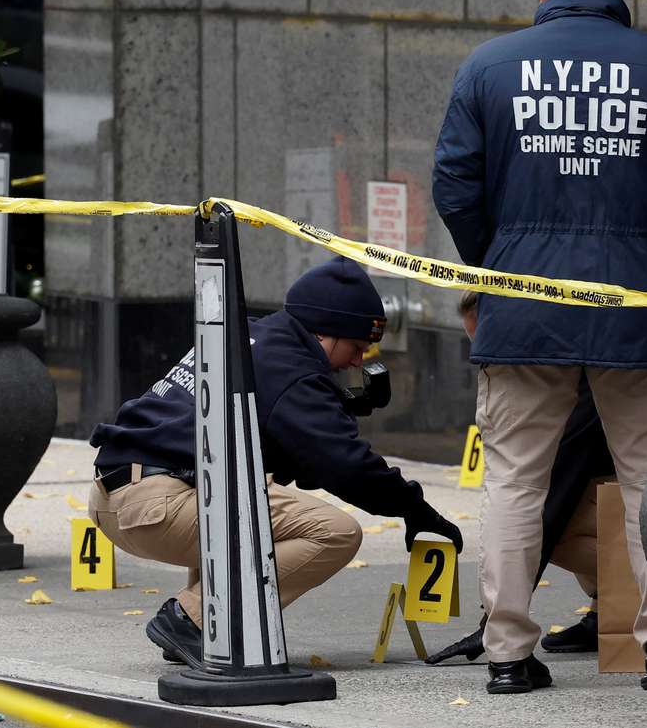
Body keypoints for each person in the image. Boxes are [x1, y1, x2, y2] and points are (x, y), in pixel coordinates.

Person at [432, 0, 647, 695]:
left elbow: (454, 185)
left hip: (524, 312)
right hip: (641, 310)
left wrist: (499, 258)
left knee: (513, 481)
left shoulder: (488, 68)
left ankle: (507, 652)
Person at [88, 257, 463, 668]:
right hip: (157, 504)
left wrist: (330, 409)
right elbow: (345, 466)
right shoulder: (293, 371)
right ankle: (192, 621)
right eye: (356, 348)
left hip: (120, 493)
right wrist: (414, 508)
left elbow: (283, 449)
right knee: (334, 532)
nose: (357, 361)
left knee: (248, 484)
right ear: (325, 332)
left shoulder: (250, 334)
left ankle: (206, 633)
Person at [426, 291, 615, 665]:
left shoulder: (571, 386)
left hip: (644, 479)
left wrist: (493, 625)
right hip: (613, 464)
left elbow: (549, 501)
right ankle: (611, 610)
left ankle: (640, 600)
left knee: (539, 516)